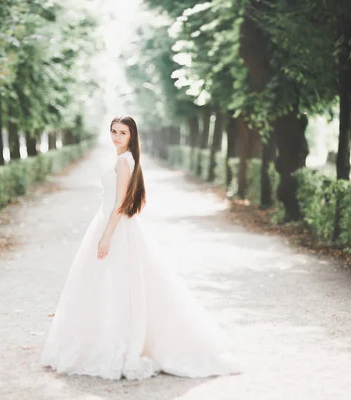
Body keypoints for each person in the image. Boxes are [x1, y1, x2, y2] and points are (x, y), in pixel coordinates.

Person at [41, 116, 240, 380]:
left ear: (132, 136)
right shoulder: (123, 159)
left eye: (122, 133)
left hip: (115, 227)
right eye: (113, 131)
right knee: (107, 285)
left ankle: (119, 343)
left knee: (117, 285)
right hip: (111, 223)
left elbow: (121, 204)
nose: (116, 137)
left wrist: (106, 236)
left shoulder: (124, 162)